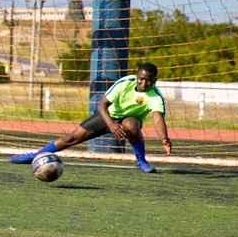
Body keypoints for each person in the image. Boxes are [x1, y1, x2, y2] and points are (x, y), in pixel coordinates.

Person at [10, 62, 172, 173]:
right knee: (71, 138)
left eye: (148, 81)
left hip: (127, 122)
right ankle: (34, 156)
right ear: (137, 76)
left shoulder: (156, 96)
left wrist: (164, 138)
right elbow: (101, 105)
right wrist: (111, 124)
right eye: (141, 79)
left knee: (131, 124)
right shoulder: (125, 83)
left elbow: (158, 118)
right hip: (107, 116)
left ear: (154, 81)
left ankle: (141, 162)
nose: (144, 83)